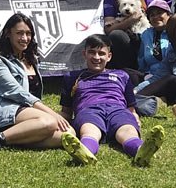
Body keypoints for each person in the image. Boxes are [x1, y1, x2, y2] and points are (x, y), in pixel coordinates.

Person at [0, 13, 71, 152]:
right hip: (7, 112)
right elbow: (17, 93)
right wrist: (51, 113)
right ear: (8, 34)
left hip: (31, 114)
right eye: (19, 33)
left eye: (28, 33)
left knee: (68, 134)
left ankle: (12, 139)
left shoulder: (33, 60)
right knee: (50, 122)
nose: (24, 38)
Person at [58, 34, 165, 167]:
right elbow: (66, 111)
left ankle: (141, 150)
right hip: (89, 110)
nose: (96, 57)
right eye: (92, 52)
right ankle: (85, 151)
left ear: (109, 56)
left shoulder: (122, 75)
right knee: (90, 129)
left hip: (117, 109)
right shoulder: (72, 77)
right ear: (84, 54)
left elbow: (130, 107)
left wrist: (134, 115)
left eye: (101, 53)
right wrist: (56, 120)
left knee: (127, 130)